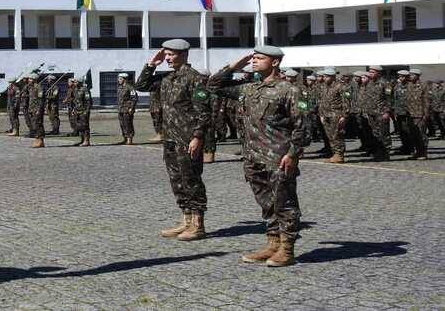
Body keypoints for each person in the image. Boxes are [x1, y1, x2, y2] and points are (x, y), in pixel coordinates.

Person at [207, 46, 306, 267]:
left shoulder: (290, 90)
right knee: (266, 203)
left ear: (275, 62)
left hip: (278, 156)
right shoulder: (249, 88)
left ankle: (287, 249)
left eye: (260, 58)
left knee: (284, 202)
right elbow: (213, 86)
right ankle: (272, 243)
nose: (254, 60)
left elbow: (302, 127)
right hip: (253, 157)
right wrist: (235, 65)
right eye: (253, 57)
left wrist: (293, 154)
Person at [134, 39, 210, 242]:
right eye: (165, 54)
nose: (166, 58)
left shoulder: (195, 79)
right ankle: (185, 220)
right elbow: (141, 85)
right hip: (170, 139)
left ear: (183, 55)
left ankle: (198, 224)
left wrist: (197, 137)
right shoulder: (167, 78)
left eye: (170, 54)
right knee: (176, 180)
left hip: (187, 139)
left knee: (191, 179)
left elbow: (204, 112)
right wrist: (151, 64)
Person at [357, 65, 392, 161]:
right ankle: (378, 152)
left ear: (378, 73)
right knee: (375, 134)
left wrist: (387, 112)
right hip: (371, 113)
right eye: (370, 72)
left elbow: (389, 99)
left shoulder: (385, 83)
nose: (371, 74)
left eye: (373, 72)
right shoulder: (369, 83)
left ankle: (385, 153)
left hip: (381, 112)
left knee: (383, 133)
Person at [318, 67, 346, 163]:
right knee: (330, 136)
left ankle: (339, 154)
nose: (324, 78)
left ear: (332, 77)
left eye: (326, 76)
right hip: (326, 115)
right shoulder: (324, 86)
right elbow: (321, 101)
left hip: (336, 114)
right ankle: (335, 154)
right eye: (324, 76)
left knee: (337, 135)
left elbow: (346, 102)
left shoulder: (340, 86)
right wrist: (321, 114)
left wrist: (344, 116)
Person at [406, 68, 430, 160]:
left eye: (412, 75)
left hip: (420, 114)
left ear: (417, 76)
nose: (410, 76)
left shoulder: (424, 86)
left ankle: (424, 153)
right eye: (410, 75)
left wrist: (425, 114)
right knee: (414, 135)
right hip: (410, 114)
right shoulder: (409, 85)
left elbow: (426, 101)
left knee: (421, 134)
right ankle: (418, 152)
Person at [116, 73, 138, 145]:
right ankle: (125, 138)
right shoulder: (120, 87)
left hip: (127, 109)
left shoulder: (130, 87)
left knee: (128, 124)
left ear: (124, 79)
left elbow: (134, 98)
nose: (118, 80)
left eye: (120, 79)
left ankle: (129, 139)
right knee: (122, 124)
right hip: (120, 109)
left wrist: (131, 108)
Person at [27, 73, 46, 148]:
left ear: (34, 79)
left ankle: (40, 140)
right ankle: (37, 139)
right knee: (34, 125)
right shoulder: (31, 87)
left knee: (38, 124)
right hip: (32, 108)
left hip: (37, 109)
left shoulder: (39, 87)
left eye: (30, 79)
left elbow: (41, 100)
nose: (29, 80)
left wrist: (39, 109)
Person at [73, 77, 92, 147]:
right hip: (78, 111)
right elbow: (76, 102)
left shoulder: (85, 90)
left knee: (85, 126)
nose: (74, 83)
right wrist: (74, 110)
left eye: (76, 82)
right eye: (74, 82)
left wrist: (86, 111)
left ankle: (86, 140)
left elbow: (89, 102)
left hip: (83, 111)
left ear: (80, 82)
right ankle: (82, 139)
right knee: (79, 126)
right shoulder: (76, 90)